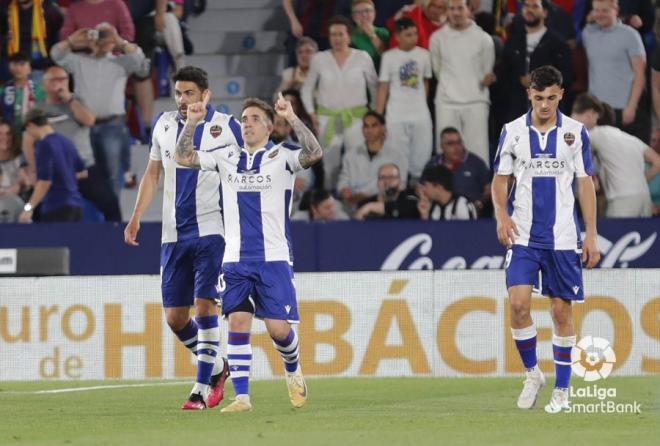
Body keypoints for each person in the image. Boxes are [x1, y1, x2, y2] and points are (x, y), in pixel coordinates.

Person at [175, 93, 324, 412]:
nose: (248, 124)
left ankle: (293, 367)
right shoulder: (226, 155)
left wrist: (293, 117)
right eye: (244, 119)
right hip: (235, 260)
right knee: (238, 321)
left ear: (271, 127)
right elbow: (183, 157)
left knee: (279, 330)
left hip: (274, 258)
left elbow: (315, 153)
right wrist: (191, 123)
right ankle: (242, 397)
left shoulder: (283, 157)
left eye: (255, 119)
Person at [124, 66, 238, 410]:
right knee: (175, 318)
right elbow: (153, 172)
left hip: (212, 231)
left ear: (206, 94)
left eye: (190, 93)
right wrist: (136, 216)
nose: (183, 99)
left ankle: (200, 389)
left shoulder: (228, 127)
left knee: (206, 307)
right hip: (173, 234)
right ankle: (218, 367)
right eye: (178, 93)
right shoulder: (163, 124)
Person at [492, 65, 600, 413]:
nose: (544, 105)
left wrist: (592, 234)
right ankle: (532, 373)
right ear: (529, 95)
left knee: (560, 312)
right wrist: (502, 215)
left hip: (563, 239)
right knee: (519, 304)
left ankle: (563, 390)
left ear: (561, 95)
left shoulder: (574, 132)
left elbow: (585, 183)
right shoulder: (512, 132)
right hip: (522, 235)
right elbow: (499, 180)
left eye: (551, 98)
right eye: (539, 98)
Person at [51, 23, 149, 198]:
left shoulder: (122, 62)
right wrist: (72, 40)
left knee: (111, 176)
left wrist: (118, 40)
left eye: (106, 36)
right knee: (82, 172)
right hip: (82, 126)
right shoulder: (79, 61)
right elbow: (56, 54)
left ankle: (113, 220)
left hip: (112, 126)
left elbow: (139, 58)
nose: (103, 40)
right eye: (100, 35)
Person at [27, 65, 122, 222]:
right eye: (54, 80)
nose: (59, 83)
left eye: (63, 79)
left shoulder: (77, 102)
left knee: (110, 203)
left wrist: (69, 99)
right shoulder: (39, 109)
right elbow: (28, 139)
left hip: (84, 168)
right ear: (44, 84)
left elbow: (89, 120)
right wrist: (32, 167)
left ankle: (118, 241)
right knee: (36, 209)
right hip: (55, 173)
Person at [301, 15, 377, 190]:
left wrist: (372, 113)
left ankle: (357, 199)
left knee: (357, 161)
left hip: (357, 118)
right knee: (330, 166)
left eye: (341, 34)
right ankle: (330, 206)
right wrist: (312, 113)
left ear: (349, 36)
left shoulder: (363, 57)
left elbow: (374, 87)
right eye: (333, 34)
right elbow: (307, 89)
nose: (337, 38)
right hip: (327, 118)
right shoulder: (319, 59)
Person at [571, 92, 660, 217]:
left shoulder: (596, 133)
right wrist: (640, 181)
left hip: (623, 200)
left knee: (614, 234)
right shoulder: (631, 139)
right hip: (644, 198)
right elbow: (658, 162)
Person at [429, 0, 495, 166]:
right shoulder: (437, 38)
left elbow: (487, 70)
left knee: (477, 150)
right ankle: (444, 188)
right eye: (452, 9)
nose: (456, 13)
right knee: (445, 151)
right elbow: (437, 70)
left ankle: (479, 189)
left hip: (476, 102)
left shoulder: (483, 39)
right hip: (446, 102)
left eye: (460, 8)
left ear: (469, 10)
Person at [582, 0, 648, 142]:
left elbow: (640, 75)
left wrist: (631, 106)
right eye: (597, 10)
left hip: (623, 109)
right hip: (597, 109)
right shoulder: (587, 33)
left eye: (605, 10)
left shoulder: (631, 35)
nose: (600, 14)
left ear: (616, 11)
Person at [376, 17, 433, 182]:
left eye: (415, 34)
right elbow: (383, 88)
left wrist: (421, 104)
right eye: (408, 35)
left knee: (421, 160)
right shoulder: (389, 57)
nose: (413, 38)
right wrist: (379, 118)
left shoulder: (424, 55)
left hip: (420, 116)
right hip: (396, 117)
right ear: (398, 36)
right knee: (397, 160)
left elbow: (425, 82)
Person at [500, 0, 572, 123]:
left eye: (534, 6)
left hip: (549, 113)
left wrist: (539, 82)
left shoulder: (557, 43)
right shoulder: (513, 40)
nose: (529, 10)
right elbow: (504, 72)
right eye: (526, 6)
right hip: (516, 111)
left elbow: (567, 76)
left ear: (544, 13)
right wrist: (518, 79)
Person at [19, 107, 87, 223]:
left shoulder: (44, 145)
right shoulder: (67, 142)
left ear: (29, 125)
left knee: (56, 242)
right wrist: (64, 177)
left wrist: (28, 208)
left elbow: (44, 182)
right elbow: (82, 172)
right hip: (76, 206)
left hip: (56, 206)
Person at [337, 111, 408, 210]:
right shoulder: (351, 155)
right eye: (366, 126)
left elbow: (402, 184)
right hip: (353, 206)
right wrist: (343, 189)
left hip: (384, 206)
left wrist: (366, 194)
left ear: (383, 128)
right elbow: (344, 178)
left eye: (374, 126)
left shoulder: (396, 155)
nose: (369, 130)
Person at [424, 127, 491, 216]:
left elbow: (489, 188)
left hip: (471, 213)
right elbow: (421, 187)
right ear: (442, 146)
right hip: (439, 213)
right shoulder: (433, 164)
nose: (456, 147)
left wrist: (479, 203)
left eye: (459, 142)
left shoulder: (476, 163)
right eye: (450, 144)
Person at [0, 52, 46, 136]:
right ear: (9, 67)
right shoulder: (3, 90)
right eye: (14, 64)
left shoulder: (40, 91)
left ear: (29, 68)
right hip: (9, 137)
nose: (18, 68)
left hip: (31, 135)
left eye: (22, 64)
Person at [354, 162, 419, 220]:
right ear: (377, 182)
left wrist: (371, 206)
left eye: (391, 177)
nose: (387, 181)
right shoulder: (365, 204)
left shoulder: (410, 198)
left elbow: (408, 208)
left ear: (399, 181)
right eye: (382, 177)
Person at [0, 119, 30, 222]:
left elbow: (26, 182)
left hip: (16, 205)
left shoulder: (20, 158)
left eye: (8, 134)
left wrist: (19, 185)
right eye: (1, 134)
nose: (4, 137)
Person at [350, 0, 389, 69]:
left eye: (367, 11)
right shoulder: (348, 35)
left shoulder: (383, 33)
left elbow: (388, 58)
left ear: (374, 13)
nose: (364, 15)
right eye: (358, 12)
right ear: (353, 16)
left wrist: (373, 36)